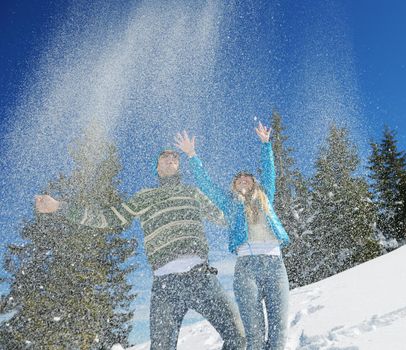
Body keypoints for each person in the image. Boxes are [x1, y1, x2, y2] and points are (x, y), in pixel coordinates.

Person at [35, 149, 245, 350]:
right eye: (165, 156)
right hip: (166, 286)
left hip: (202, 278)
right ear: (157, 167)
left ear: (179, 165)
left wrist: (243, 200)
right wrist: (60, 207)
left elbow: (225, 218)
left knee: (239, 337)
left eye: (174, 156)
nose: (171, 158)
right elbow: (108, 218)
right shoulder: (145, 197)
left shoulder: (193, 193)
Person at [175, 123, 290, 350]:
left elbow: (269, 172)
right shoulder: (229, 204)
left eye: (248, 177)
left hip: (276, 266)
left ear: (255, 183)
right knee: (254, 337)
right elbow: (206, 185)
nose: (244, 179)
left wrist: (266, 145)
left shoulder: (266, 197)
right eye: (239, 178)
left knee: (278, 336)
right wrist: (192, 155)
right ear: (234, 186)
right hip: (247, 269)